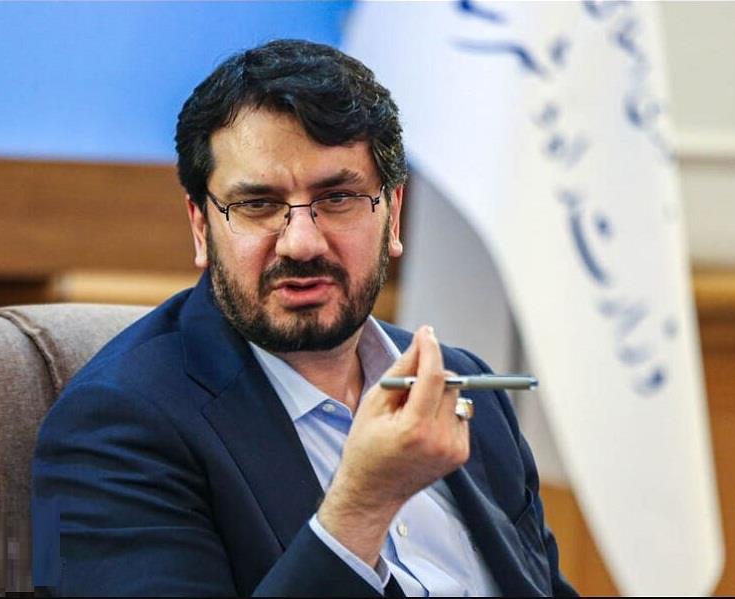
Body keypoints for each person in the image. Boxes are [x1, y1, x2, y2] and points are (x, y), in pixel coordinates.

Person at [32, 39, 576, 597]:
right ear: (201, 227)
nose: (301, 243)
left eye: (337, 198)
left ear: (393, 216)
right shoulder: (112, 429)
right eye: (258, 205)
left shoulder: (467, 387)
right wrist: (363, 505)